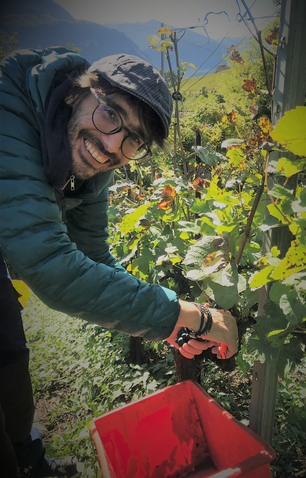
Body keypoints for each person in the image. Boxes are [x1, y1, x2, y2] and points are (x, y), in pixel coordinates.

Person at [0, 47, 239, 477]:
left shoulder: (95, 156)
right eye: (111, 113)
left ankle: (27, 459)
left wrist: (172, 321)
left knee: (9, 354)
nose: (112, 145)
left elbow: (93, 257)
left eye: (135, 140)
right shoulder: (10, 105)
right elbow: (51, 266)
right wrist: (192, 316)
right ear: (79, 93)